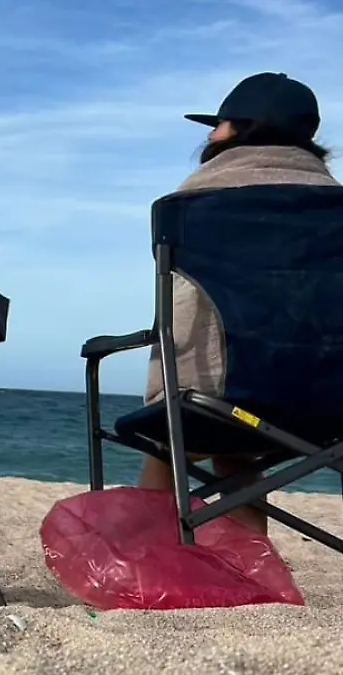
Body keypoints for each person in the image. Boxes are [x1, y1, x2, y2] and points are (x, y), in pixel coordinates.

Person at [138, 72, 338, 534]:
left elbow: (184, 311)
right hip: (331, 405)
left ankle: (149, 560)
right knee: (239, 440)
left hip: (219, 397)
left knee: (179, 436)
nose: (209, 135)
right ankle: (252, 568)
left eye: (217, 124)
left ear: (238, 129)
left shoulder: (190, 205)